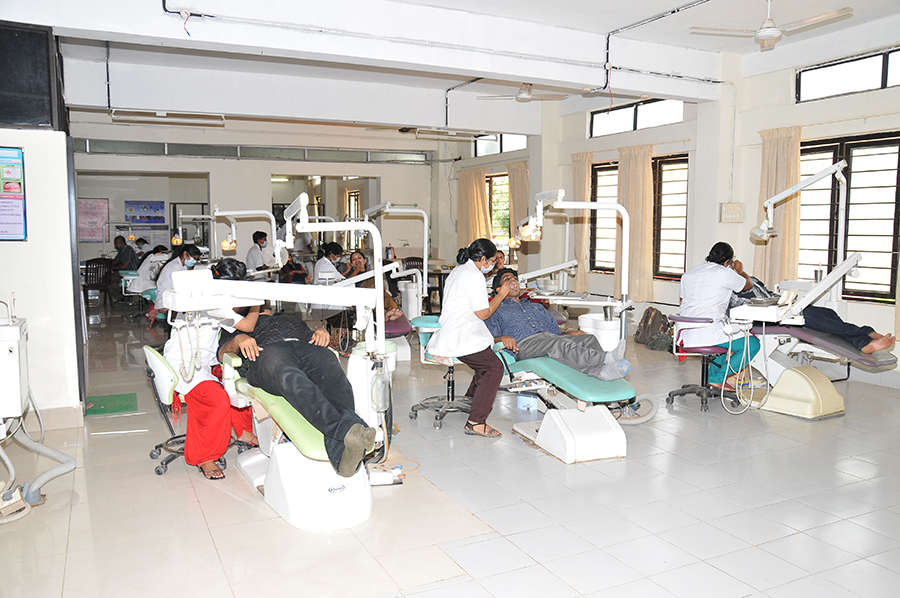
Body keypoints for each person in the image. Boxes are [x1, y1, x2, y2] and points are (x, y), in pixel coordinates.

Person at [217, 307, 377, 477]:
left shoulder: (291, 319)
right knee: (291, 377)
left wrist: (321, 333)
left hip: (305, 349)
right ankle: (346, 429)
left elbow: (313, 338)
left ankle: (344, 452)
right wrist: (238, 340)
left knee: (334, 376)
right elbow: (221, 354)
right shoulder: (238, 325)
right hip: (268, 352)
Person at [162, 258, 259, 480]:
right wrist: (257, 302)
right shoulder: (213, 304)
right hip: (184, 367)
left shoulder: (200, 294)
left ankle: (244, 433)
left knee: (235, 383)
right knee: (218, 400)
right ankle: (205, 457)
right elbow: (248, 325)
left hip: (200, 363)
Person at [426, 239, 510, 438]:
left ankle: (471, 401)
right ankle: (476, 422)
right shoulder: (473, 275)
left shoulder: (459, 270)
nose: (492, 266)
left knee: (485, 362)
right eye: (492, 261)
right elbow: (483, 313)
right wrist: (502, 295)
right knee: (494, 368)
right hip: (459, 336)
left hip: (456, 331)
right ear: (483, 259)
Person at [485, 268, 630, 379]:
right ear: (499, 289)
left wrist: (568, 333)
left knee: (588, 339)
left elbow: (556, 333)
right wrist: (501, 338)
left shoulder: (535, 306)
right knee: (558, 344)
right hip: (525, 346)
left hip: (549, 338)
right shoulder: (495, 311)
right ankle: (605, 360)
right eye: (507, 279)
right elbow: (487, 338)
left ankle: (603, 372)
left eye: (515, 278)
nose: (513, 280)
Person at [733, 275, 896, 355]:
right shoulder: (734, 285)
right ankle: (865, 335)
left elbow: (766, 293)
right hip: (767, 317)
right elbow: (746, 292)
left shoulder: (748, 278)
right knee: (814, 318)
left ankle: (863, 341)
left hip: (783, 307)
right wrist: (739, 272)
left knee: (828, 314)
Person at [679, 242, 758, 390]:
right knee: (752, 345)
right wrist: (739, 270)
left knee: (722, 340)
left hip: (686, 331)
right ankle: (718, 378)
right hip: (708, 329)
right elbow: (748, 285)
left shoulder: (689, 273)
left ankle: (713, 379)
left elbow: (683, 300)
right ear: (727, 262)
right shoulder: (724, 272)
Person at [151, 244, 202, 320]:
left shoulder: (181, 265)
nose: (194, 262)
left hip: (170, 296)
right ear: (185, 254)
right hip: (166, 300)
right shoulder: (175, 267)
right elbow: (181, 288)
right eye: (193, 258)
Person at [349, 251, 404, 321]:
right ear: (351, 264)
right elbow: (347, 284)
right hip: (363, 295)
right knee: (372, 299)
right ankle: (386, 315)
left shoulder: (372, 273)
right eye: (354, 259)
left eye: (359, 258)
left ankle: (391, 313)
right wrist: (357, 270)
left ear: (365, 261)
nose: (357, 260)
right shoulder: (350, 274)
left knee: (387, 298)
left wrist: (377, 288)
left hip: (377, 292)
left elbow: (383, 287)